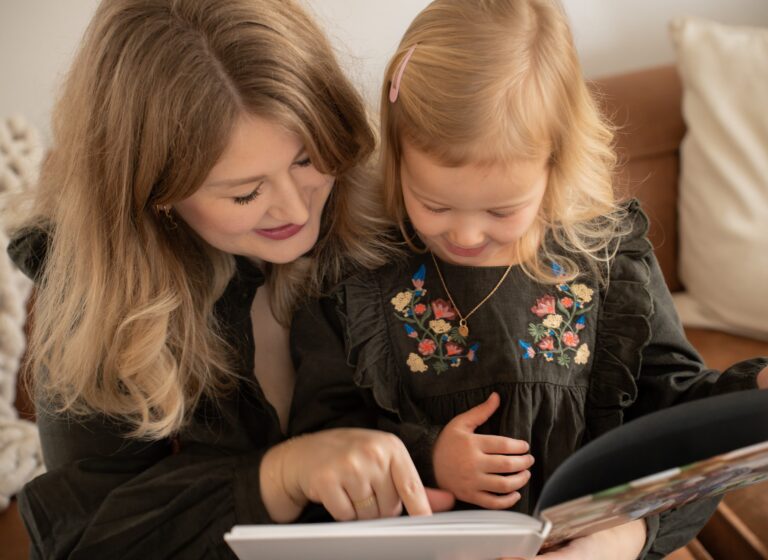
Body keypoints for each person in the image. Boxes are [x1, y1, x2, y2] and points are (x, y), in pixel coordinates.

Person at [288, 1, 768, 558]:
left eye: (502, 211)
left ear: (557, 165)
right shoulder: (360, 272)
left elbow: (672, 406)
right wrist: (428, 457)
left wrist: (755, 394)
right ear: (397, 160)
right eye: (433, 203)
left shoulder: (608, 260)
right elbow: (324, 434)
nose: (464, 234)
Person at [5, 1, 454, 558]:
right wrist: (279, 477)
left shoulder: (412, 210)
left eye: (309, 158)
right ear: (157, 194)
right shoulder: (96, 300)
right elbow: (85, 539)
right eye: (245, 193)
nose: (295, 207)